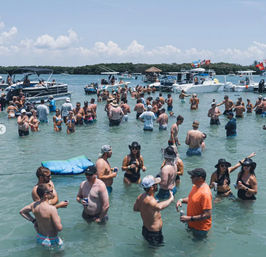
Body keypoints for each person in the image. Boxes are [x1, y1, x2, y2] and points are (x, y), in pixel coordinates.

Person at [133, 175, 174, 246]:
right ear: (152, 187)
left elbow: (135, 209)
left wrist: (146, 210)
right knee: (154, 253)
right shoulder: (151, 200)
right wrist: (171, 199)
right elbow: (159, 207)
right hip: (154, 233)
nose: (157, 185)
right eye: (156, 184)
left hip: (145, 229)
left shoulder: (140, 196)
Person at [176, 168, 212, 238]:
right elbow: (192, 199)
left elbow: (208, 215)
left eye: (192, 176)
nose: (190, 178)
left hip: (200, 229)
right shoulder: (195, 186)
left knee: (198, 247)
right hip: (191, 223)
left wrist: (189, 218)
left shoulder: (205, 194)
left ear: (200, 178)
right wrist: (181, 200)